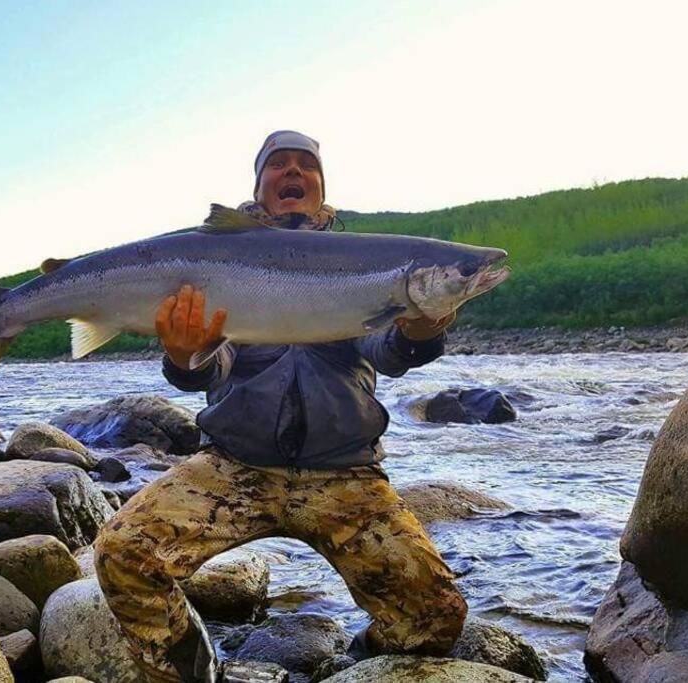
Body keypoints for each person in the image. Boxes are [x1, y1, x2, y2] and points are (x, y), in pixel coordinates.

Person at [95, 130, 466, 683]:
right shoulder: (219, 260)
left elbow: (388, 353)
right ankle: (195, 672)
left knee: (437, 615)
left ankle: (355, 666)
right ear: (260, 185)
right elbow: (207, 370)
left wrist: (421, 330)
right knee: (122, 552)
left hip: (345, 474)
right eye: (279, 165)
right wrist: (184, 354)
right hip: (233, 465)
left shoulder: (363, 264)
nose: (293, 173)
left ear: (320, 188)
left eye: (306, 167)